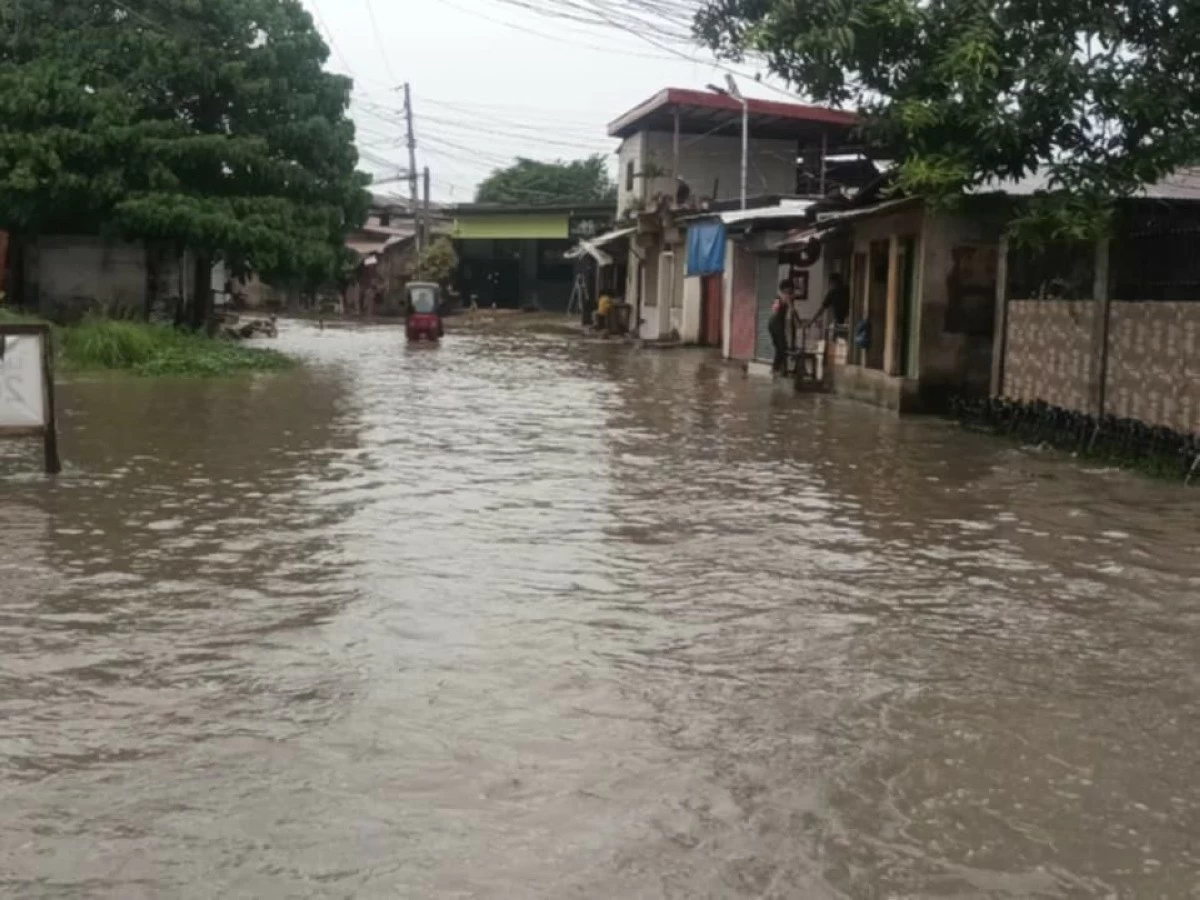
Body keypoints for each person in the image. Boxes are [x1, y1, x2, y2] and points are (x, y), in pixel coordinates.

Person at [769, 279, 794, 375]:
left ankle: (780, 370)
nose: (791, 291)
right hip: (775, 325)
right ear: (785, 289)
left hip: (776, 325)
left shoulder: (783, 298)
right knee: (782, 347)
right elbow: (775, 310)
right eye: (789, 289)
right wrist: (785, 302)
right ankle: (777, 370)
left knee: (781, 348)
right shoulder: (781, 298)